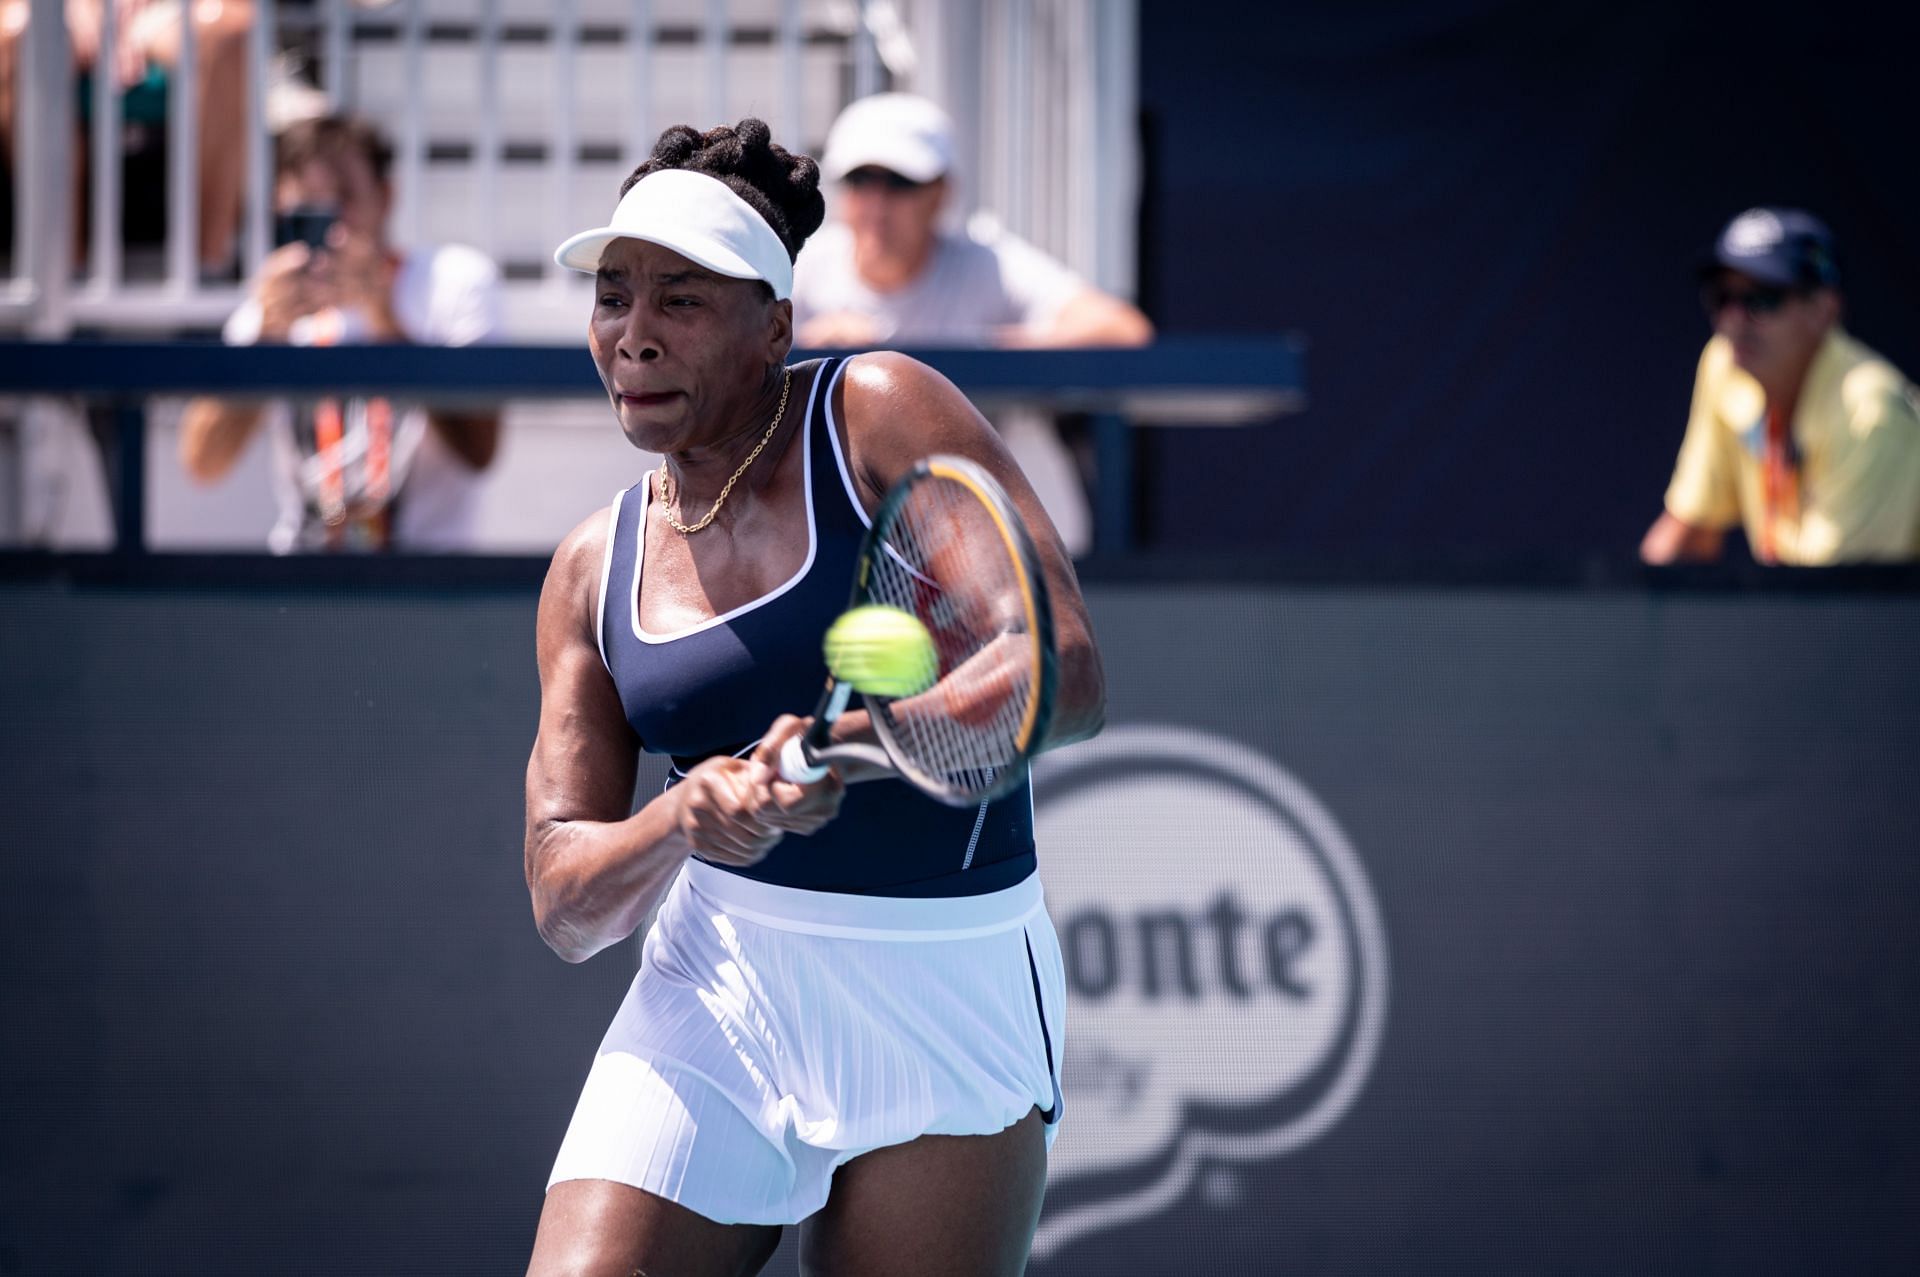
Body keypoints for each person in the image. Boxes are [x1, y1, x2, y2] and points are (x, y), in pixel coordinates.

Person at [523, 118, 1105, 1276]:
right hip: (719, 984)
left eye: (681, 301)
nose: (633, 334)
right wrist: (681, 818)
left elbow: (1061, 668)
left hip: (945, 982)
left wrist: (840, 747)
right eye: (615, 296)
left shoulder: (878, 410)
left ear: (774, 326)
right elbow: (565, 899)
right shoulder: (593, 567)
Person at [791, 92, 1154, 556]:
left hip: (994, 548)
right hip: (849, 542)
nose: (877, 204)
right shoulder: (803, 270)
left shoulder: (988, 264)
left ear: (941, 193)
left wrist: (981, 348)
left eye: (900, 182)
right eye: (860, 181)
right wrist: (810, 350)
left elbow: (1121, 328)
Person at [177, 114, 502, 552]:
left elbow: (480, 450)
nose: (332, 228)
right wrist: (266, 340)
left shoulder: (454, 280)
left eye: (344, 199)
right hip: (304, 577)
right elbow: (203, 461)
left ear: (386, 197)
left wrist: (385, 322)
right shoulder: (270, 308)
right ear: (281, 207)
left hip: (430, 578)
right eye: (310, 205)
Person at [1641, 207, 1920, 565]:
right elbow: (1691, 531)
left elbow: (1842, 610)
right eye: (1722, 298)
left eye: (1762, 299)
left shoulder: (1870, 413)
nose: (1734, 321)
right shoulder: (1725, 365)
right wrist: (1623, 616)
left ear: (1823, 311)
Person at [0, 0, 253, 275]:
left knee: (227, 33)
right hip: (59, 9)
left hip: (173, 11)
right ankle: (56, 275)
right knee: (29, 33)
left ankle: (208, 268)